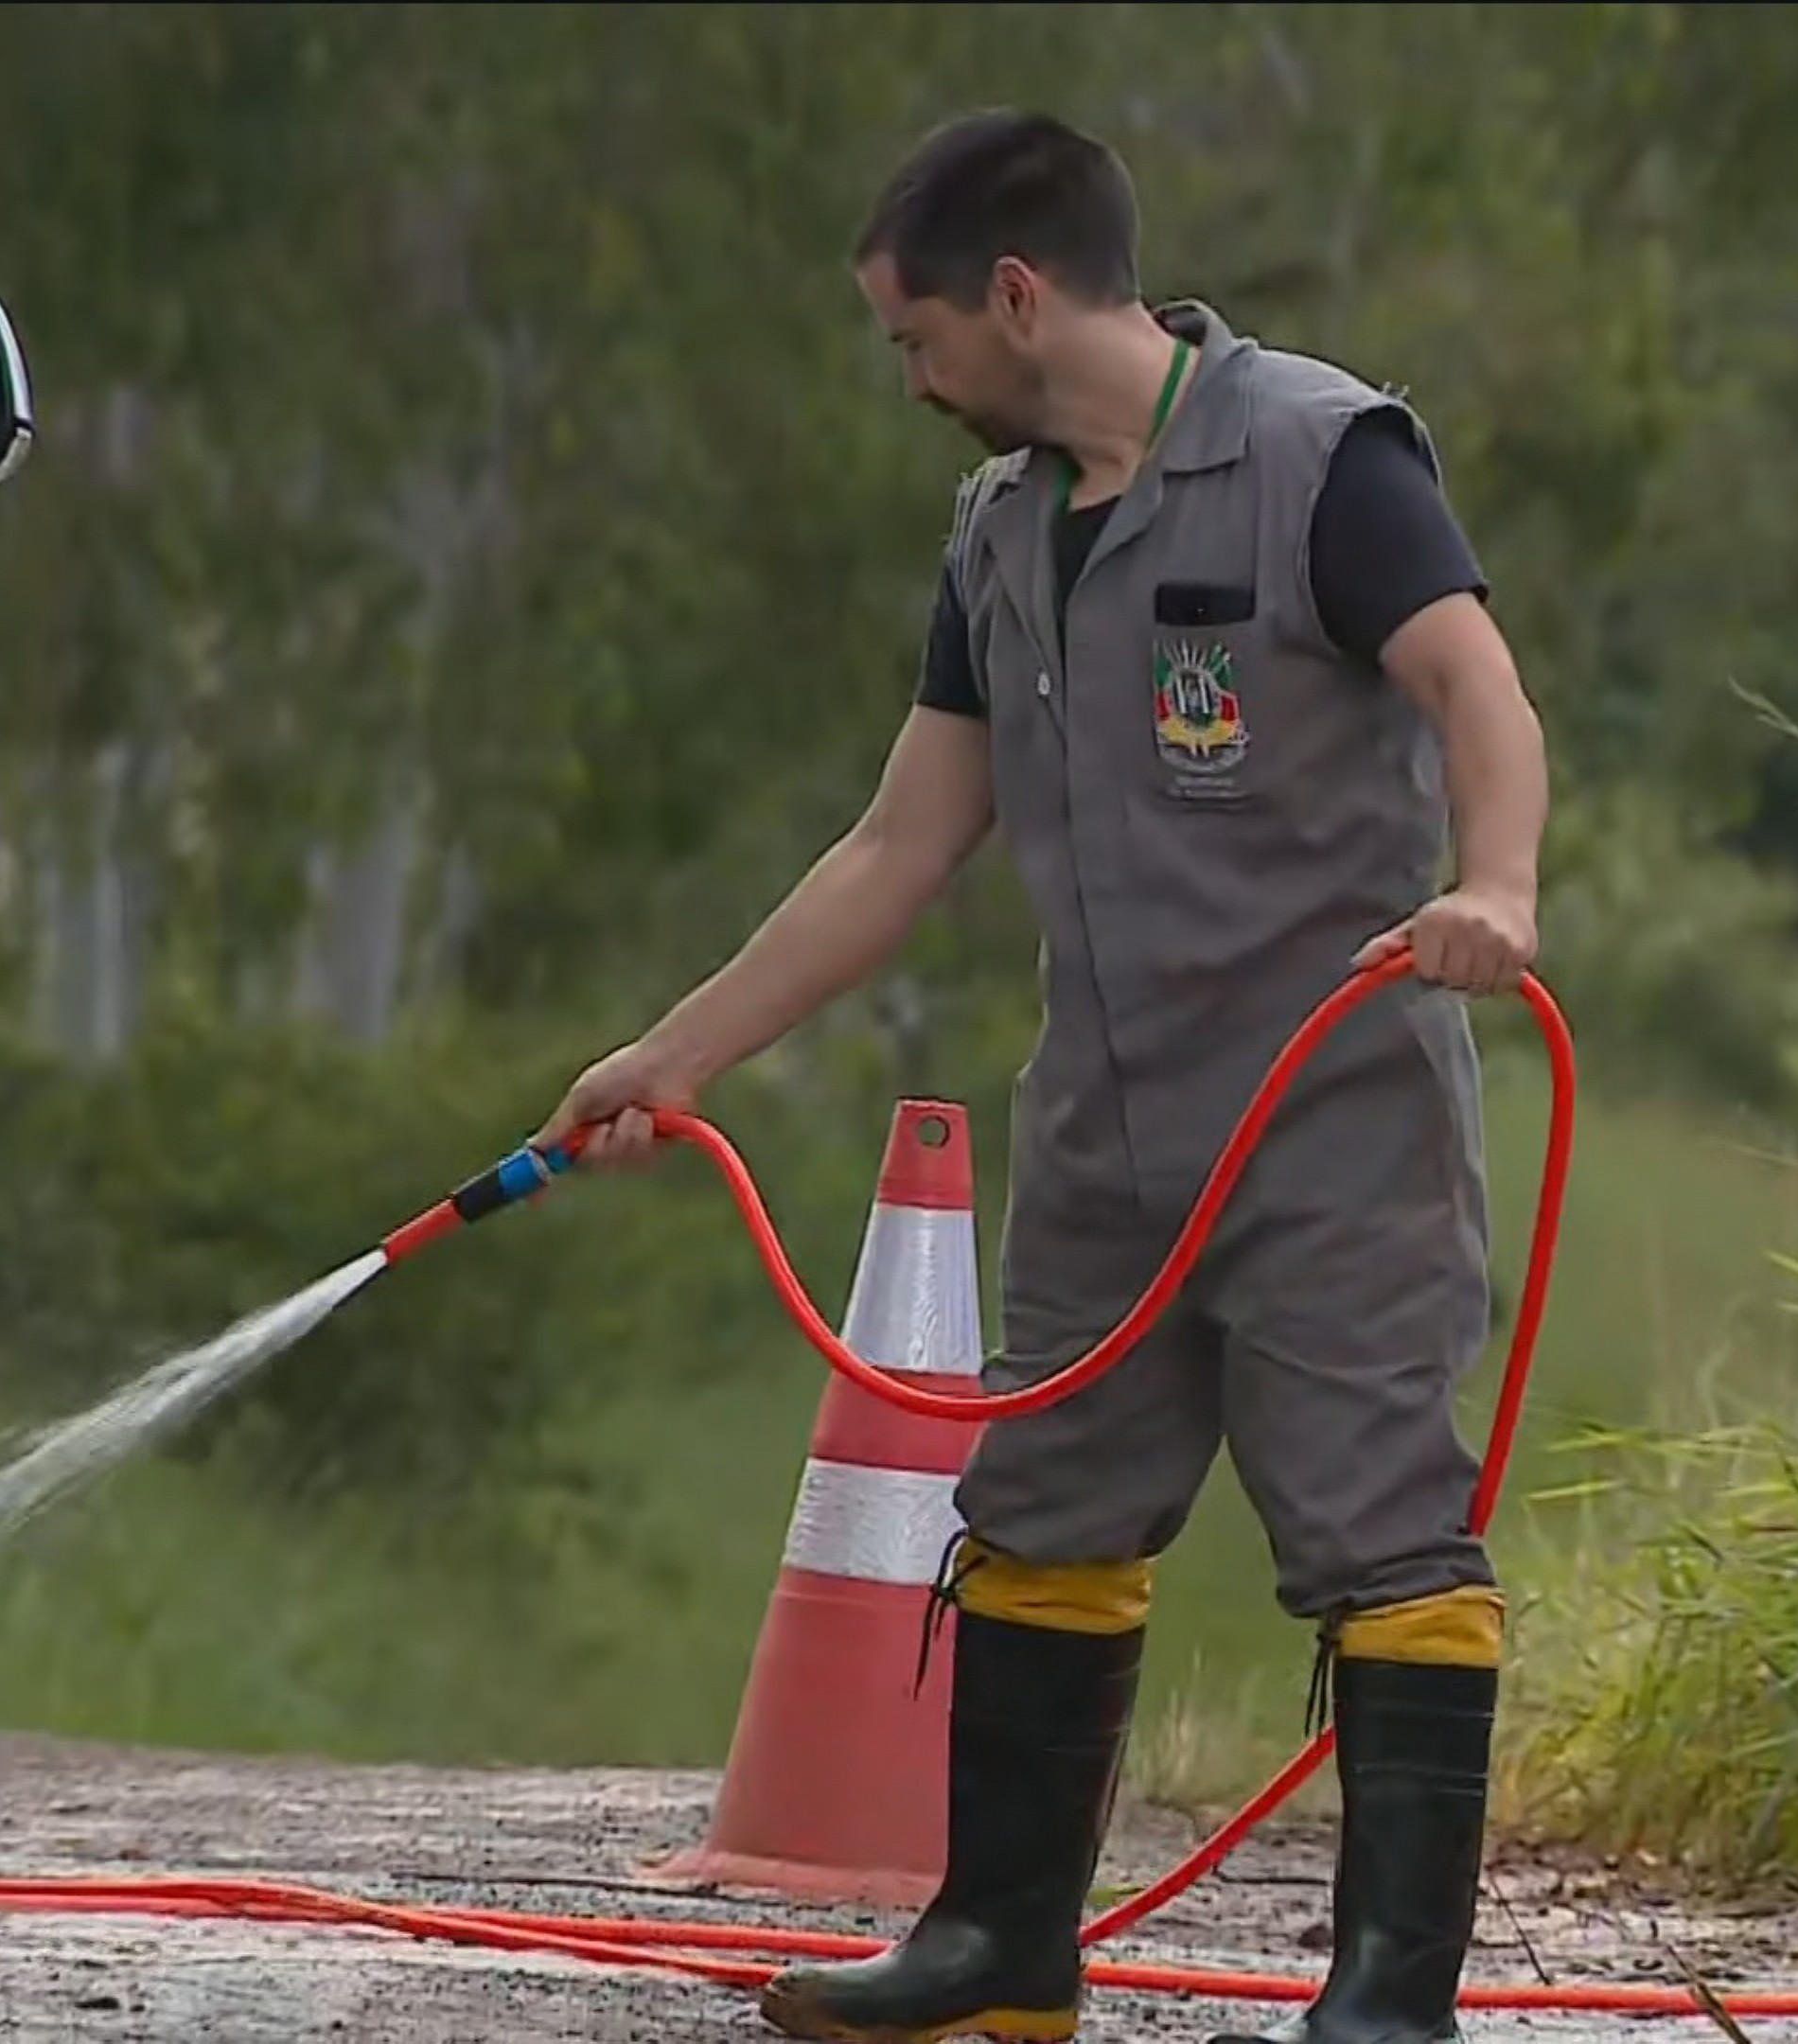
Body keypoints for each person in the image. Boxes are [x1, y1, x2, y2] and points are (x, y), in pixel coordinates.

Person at [529, 109, 1551, 2044]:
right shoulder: (1001, 537)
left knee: (1383, 1534)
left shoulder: (1326, 458)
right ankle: (1002, 1953)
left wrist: (1495, 889)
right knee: (1043, 1508)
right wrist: (672, 1058)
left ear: (1016, 295)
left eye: (913, 337)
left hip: (1333, 1129)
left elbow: (1479, 690)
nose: (906, 376)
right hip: (1103, 1132)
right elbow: (897, 848)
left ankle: (1389, 2003)